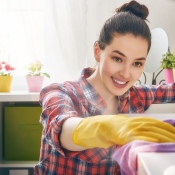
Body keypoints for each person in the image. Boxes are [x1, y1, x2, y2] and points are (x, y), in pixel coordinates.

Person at [34, 1, 175, 174]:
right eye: (117, 59)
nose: (125, 73)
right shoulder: (61, 93)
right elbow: (62, 129)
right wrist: (105, 128)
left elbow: (170, 90)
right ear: (97, 52)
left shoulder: (136, 96)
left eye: (137, 63)